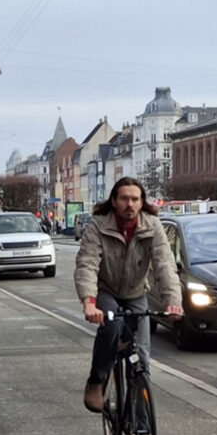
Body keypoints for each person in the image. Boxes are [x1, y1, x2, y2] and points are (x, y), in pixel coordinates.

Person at [75, 177, 183, 416]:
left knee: (142, 362)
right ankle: (97, 380)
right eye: (124, 198)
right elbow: (87, 265)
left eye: (135, 199)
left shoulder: (152, 226)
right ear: (114, 201)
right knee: (112, 324)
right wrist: (89, 302)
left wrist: (173, 302)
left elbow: (165, 264)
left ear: (142, 202)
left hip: (136, 293)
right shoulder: (98, 225)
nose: (130, 204)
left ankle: (143, 429)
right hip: (107, 291)